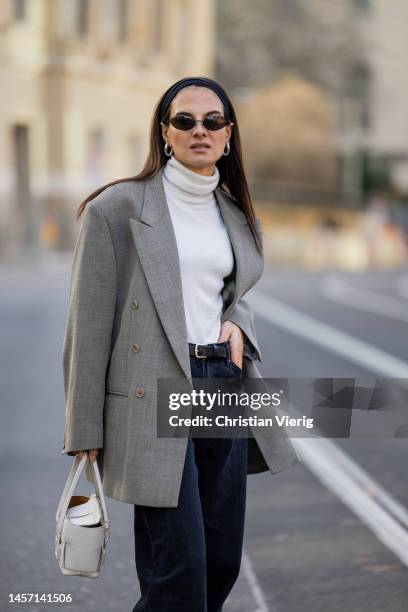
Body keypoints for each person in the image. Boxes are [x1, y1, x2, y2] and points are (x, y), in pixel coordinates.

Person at [60, 76, 299, 611]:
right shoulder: (116, 209)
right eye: (184, 121)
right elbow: (88, 324)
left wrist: (237, 323)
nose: (199, 130)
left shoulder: (237, 214)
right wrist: (85, 429)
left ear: (229, 134)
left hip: (222, 384)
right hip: (153, 393)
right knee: (179, 570)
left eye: (212, 121)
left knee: (220, 561)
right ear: (165, 133)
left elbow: (231, 293)